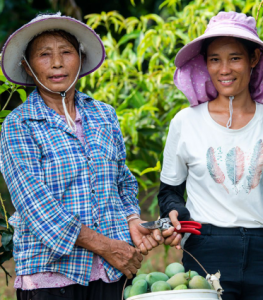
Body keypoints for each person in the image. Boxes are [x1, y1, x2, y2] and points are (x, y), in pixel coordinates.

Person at [0, 13, 163, 300]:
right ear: (27, 66)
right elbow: (36, 206)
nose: (57, 63)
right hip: (52, 277)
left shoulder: (104, 115)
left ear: (80, 58)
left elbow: (122, 180)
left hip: (112, 272)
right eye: (44, 55)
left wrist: (132, 220)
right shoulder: (19, 124)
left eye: (66, 52)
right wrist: (107, 247)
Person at [158, 11, 263, 300]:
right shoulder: (185, 123)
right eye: (214, 59)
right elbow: (169, 192)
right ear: (205, 64)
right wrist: (174, 213)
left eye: (235, 58)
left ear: (254, 58)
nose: (224, 69)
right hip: (205, 248)